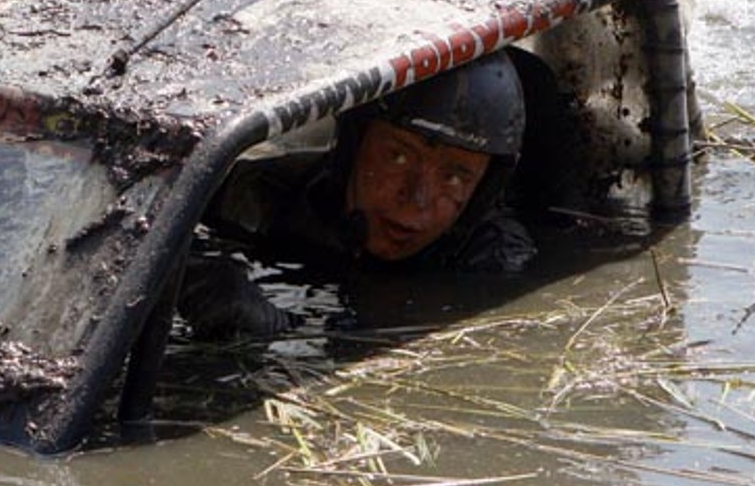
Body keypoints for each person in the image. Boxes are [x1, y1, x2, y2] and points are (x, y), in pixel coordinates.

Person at [180, 52, 535, 339]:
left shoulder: (493, 261)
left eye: (454, 177)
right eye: (398, 157)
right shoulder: (253, 196)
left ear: (482, 190)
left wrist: (275, 333)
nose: (417, 200)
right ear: (353, 145)